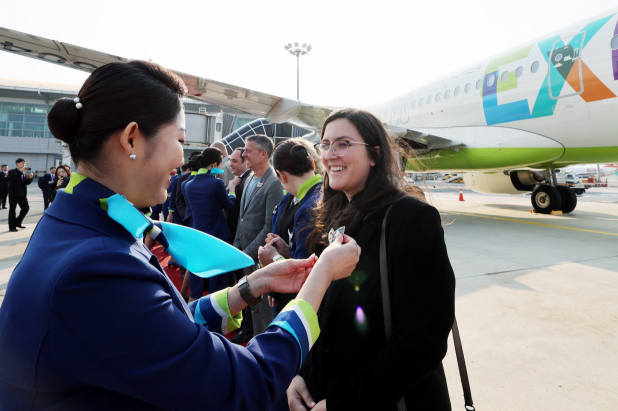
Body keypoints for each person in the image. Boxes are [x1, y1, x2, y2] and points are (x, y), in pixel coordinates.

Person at [0, 61, 362, 411]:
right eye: (180, 139)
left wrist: (252, 286)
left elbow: (159, 330)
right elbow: (243, 387)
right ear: (131, 139)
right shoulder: (95, 267)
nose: (181, 158)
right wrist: (320, 276)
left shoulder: (81, 225)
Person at [286, 108, 456, 411]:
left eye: (343, 144)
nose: (329, 155)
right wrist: (303, 373)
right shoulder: (334, 218)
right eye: (325, 144)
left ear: (375, 155)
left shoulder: (410, 219)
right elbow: (325, 314)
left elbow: (422, 343)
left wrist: (341, 404)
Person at [258, 139, 324, 314]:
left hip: (303, 303)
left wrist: (273, 258)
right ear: (312, 163)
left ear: (282, 176)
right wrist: (287, 251)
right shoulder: (322, 194)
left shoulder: (308, 207)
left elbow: (303, 271)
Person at [231, 135, 284, 344]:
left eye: (248, 151)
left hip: (260, 257)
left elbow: (269, 226)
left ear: (263, 154)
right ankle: (254, 341)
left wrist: (247, 253)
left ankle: (265, 348)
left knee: (264, 309)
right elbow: (242, 218)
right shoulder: (249, 178)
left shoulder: (274, 183)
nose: (244, 154)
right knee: (252, 304)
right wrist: (237, 248)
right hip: (246, 255)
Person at [184, 147, 241, 301]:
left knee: (196, 285)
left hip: (197, 236)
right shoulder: (216, 183)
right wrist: (232, 189)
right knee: (217, 284)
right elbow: (230, 206)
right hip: (217, 236)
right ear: (214, 164)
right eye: (221, 164)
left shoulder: (188, 185)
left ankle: (191, 314)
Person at [226, 147, 251, 239]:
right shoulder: (239, 179)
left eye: (234, 161)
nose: (230, 164)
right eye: (230, 161)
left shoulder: (248, 180)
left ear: (245, 162)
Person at [7, 158, 33, 232]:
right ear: (17, 164)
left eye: (24, 163)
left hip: (22, 194)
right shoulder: (12, 172)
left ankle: (17, 222)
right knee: (12, 210)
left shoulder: (24, 173)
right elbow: (12, 178)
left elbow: (26, 183)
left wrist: (30, 178)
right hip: (13, 194)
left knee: (26, 208)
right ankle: (12, 227)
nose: (23, 165)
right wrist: (20, 171)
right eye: (22, 163)